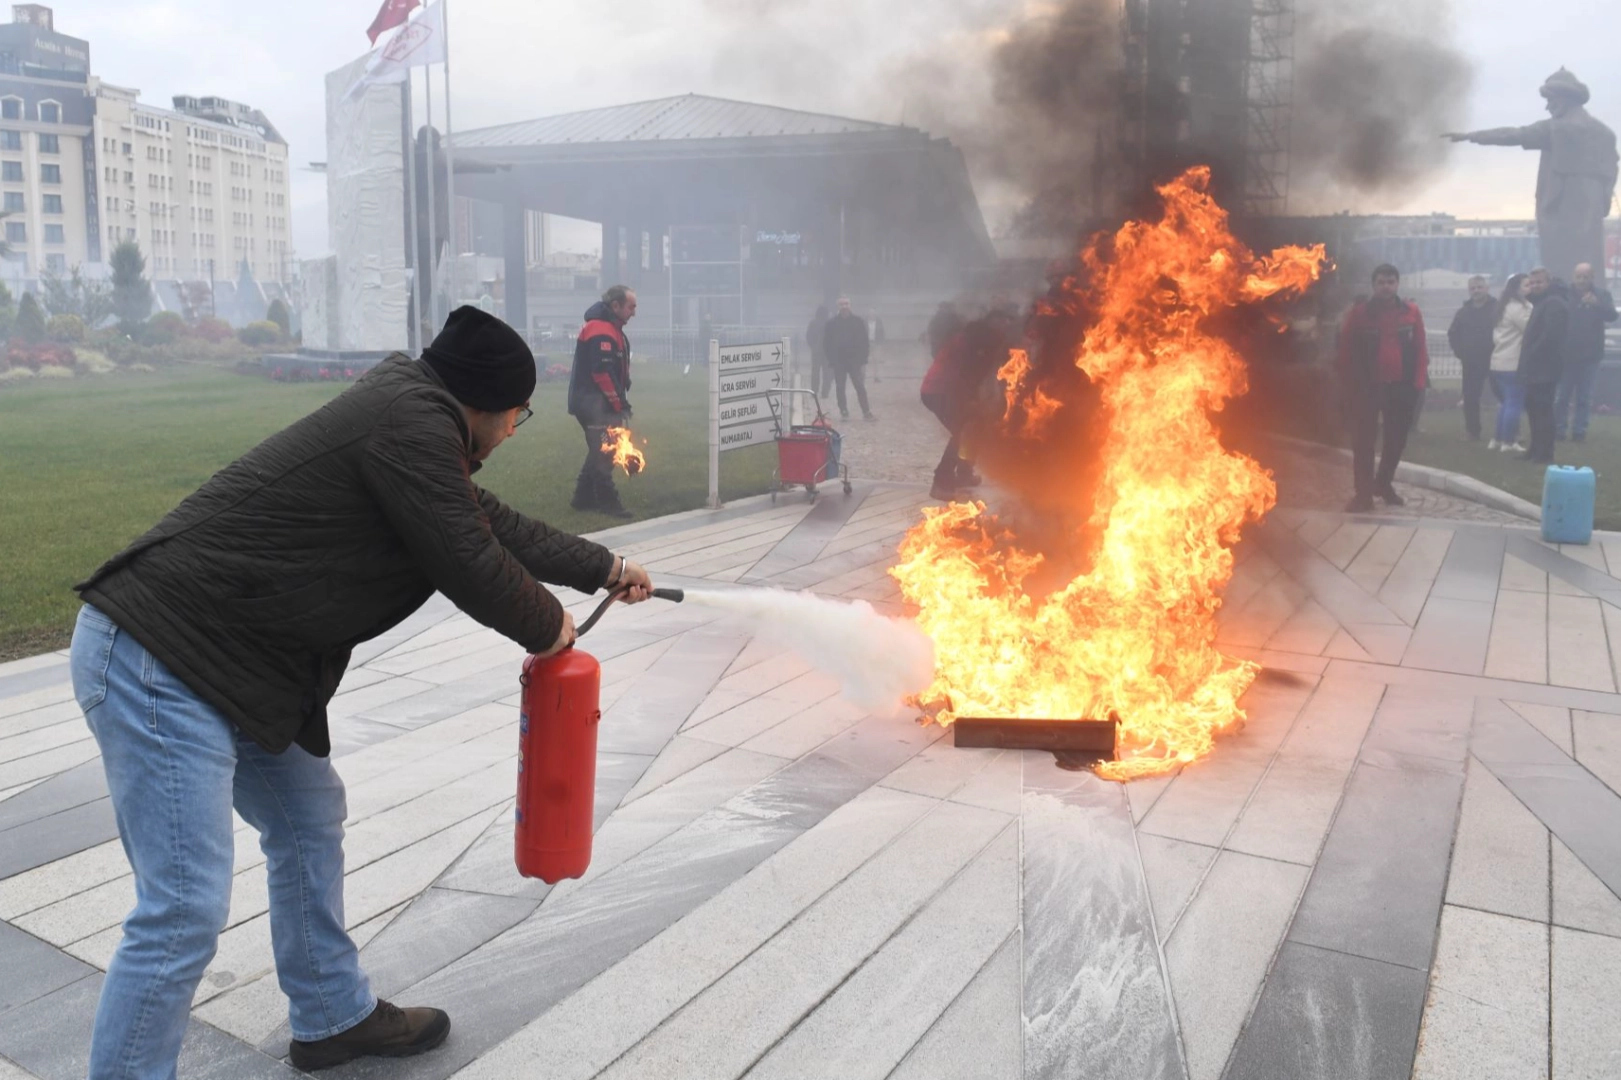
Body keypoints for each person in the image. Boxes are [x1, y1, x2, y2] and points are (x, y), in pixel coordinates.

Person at [69, 306, 655, 1077]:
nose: (517, 428)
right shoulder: (409, 424)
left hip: (230, 664)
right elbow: (467, 558)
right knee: (182, 910)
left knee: (309, 817)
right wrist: (551, 627)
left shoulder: (413, 422)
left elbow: (490, 525)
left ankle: (331, 1016)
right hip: (162, 660)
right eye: (520, 412)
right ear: (487, 403)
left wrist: (603, 569)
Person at [1447, 69, 1618, 282]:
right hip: (1590, 210)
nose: (1548, 107)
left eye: (1551, 100)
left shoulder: (1557, 129)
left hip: (1561, 208)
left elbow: (1513, 134)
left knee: (1560, 264)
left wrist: (1471, 136)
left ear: (1565, 99)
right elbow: (1611, 171)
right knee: (1589, 262)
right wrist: (1602, 202)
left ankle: (1564, 299)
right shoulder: (1605, 133)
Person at [1336, 264, 1429, 512]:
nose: (1386, 286)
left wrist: (1418, 384)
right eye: (1381, 282)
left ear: (1397, 284)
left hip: (1402, 387)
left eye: (1390, 281)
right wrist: (1349, 385)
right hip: (1367, 388)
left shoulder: (1412, 312)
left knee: (1396, 441)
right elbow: (1345, 351)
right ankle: (1363, 494)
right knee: (1364, 441)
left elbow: (1421, 350)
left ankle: (1383, 484)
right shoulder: (1359, 314)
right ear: (1374, 285)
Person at [921, 309, 1014, 501]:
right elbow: (966, 375)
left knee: (974, 429)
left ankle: (964, 473)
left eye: (1009, 320)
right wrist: (971, 400)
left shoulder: (981, 338)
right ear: (992, 321)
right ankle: (942, 482)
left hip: (948, 390)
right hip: (938, 390)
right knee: (962, 432)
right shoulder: (975, 341)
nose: (1007, 324)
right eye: (1003, 319)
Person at [568, 285, 637, 518]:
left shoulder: (609, 327)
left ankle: (582, 498)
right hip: (593, 404)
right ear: (615, 306)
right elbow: (601, 373)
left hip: (593, 401)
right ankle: (608, 503)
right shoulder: (601, 329)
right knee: (606, 453)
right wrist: (619, 404)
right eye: (631, 307)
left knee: (598, 449)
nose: (634, 312)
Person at [1555, 262, 1618, 443]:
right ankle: (1559, 430)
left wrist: (1597, 305)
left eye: (1585, 277)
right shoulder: (1565, 294)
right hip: (1566, 354)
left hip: (1591, 355)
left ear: (1592, 278)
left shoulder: (1602, 295)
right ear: (1573, 277)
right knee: (1561, 396)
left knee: (1584, 397)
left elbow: (1612, 316)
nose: (1581, 281)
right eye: (1578, 277)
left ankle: (1579, 432)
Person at [1518, 267, 1571, 462]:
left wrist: (1531, 353)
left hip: (1545, 367)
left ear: (1548, 283)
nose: (1535, 286)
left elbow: (1551, 336)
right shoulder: (1541, 302)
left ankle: (1545, 453)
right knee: (1533, 409)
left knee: (1543, 411)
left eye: (1539, 282)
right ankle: (1535, 449)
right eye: (1532, 283)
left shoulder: (1554, 303)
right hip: (1535, 367)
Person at [1447, 275, 1498, 441]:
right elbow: (1453, 333)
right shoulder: (1463, 312)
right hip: (1471, 361)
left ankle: (1510, 432)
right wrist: (1460, 352)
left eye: (1479, 287)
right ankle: (1472, 431)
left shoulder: (1497, 309)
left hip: (1495, 359)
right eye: (1473, 288)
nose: (1476, 291)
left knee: (1504, 396)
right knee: (1470, 397)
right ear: (1469, 291)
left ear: (1487, 288)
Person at [1489, 273, 1532, 453]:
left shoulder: (1503, 306)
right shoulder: (1518, 308)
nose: (1530, 287)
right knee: (1514, 403)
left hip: (1498, 362)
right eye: (1526, 285)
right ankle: (1508, 441)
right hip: (1513, 362)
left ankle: (1497, 439)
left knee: (1506, 403)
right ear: (1516, 288)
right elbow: (1529, 327)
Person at [823, 296, 875, 421]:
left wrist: (863, 358)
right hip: (839, 361)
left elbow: (864, 341)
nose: (844, 307)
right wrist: (831, 359)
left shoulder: (858, 321)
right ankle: (844, 410)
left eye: (846, 304)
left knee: (860, 386)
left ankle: (866, 411)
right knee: (840, 387)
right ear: (838, 306)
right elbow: (826, 343)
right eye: (842, 304)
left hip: (854, 361)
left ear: (850, 305)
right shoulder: (832, 323)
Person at [806, 304, 831, 399]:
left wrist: (813, 346)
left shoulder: (813, 323)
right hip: (827, 352)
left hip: (816, 351)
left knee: (815, 372)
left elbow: (808, 336)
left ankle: (814, 391)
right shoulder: (829, 323)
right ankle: (825, 392)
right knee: (827, 373)